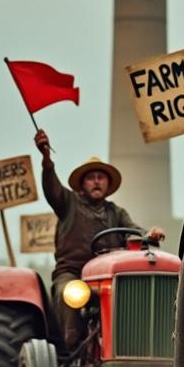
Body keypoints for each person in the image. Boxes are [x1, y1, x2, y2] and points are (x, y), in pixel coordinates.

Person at [33, 132, 165, 353]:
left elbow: (135, 231)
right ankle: (73, 351)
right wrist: (47, 160)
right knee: (70, 293)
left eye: (101, 177)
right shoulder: (68, 203)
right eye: (91, 177)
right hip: (73, 273)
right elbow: (51, 189)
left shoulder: (116, 212)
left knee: (133, 297)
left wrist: (150, 234)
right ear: (82, 184)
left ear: (107, 184)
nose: (96, 181)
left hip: (108, 278)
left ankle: (135, 349)